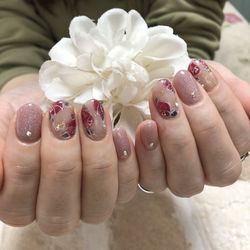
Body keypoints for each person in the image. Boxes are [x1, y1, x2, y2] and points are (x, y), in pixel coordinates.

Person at [0, 0, 249, 237]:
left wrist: (183, 73)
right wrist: (18, 82)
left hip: (152, 67)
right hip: (64, 79)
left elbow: (188, 23)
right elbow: (11, 31)